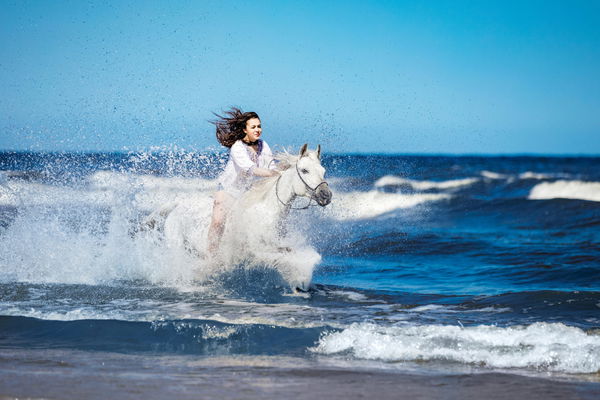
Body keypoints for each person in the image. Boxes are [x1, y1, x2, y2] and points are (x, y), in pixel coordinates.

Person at [207, 107, 279, 254]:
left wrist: (280, 171)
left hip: (246, 190)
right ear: (245, 129)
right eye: (253, 127)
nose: (257, 129)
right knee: (218, 221)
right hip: (228, 189)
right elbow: (251, 169)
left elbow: (271, 166)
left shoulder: (263, 145)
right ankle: (210, 255)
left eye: (259, 126)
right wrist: (274, 173)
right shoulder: (237, 147)